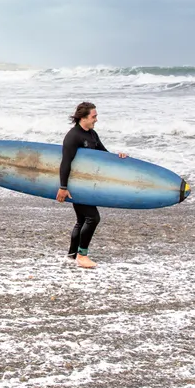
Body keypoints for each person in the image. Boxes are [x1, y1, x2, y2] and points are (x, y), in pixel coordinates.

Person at [56, 102, 127, 269]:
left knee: (82, 220)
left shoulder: (92, 135)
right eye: (93, 116)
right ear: (83, 118)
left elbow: (104, 155)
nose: (96, 119)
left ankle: (72, 256)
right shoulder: (73, 136)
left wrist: (119, 157)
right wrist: (63, 187)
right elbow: (65, 163)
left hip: (88, 185)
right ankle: (82, 255)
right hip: (76, 185)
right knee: (93, 218)